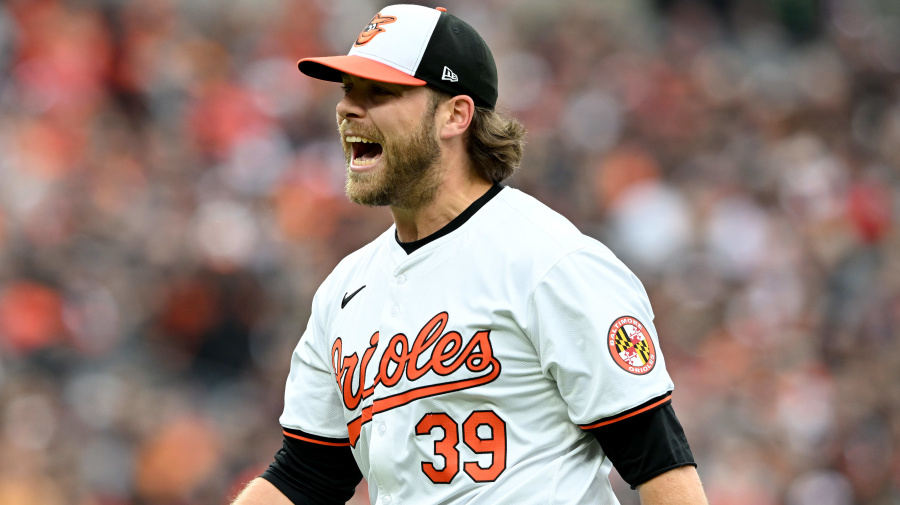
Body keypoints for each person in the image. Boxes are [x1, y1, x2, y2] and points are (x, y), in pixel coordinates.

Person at [233, 4, 708, 505]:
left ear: (456, 115)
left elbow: (661, 466)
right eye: (348, 90)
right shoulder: (344, 290)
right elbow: (306, 475)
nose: (349, 108)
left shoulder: (550, 262)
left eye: (380, 92)